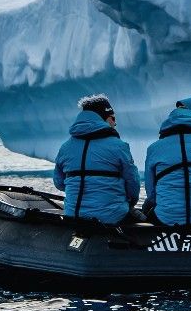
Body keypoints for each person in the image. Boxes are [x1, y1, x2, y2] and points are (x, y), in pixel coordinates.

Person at [53, 94, 141, 226]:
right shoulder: (119, 146)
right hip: (111, 218)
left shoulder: (65, 147)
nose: (115, 123)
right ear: (104, 118)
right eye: (113, 118)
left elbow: (59, 183)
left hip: (73, 215)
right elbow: (133, 184)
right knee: (142, 217)